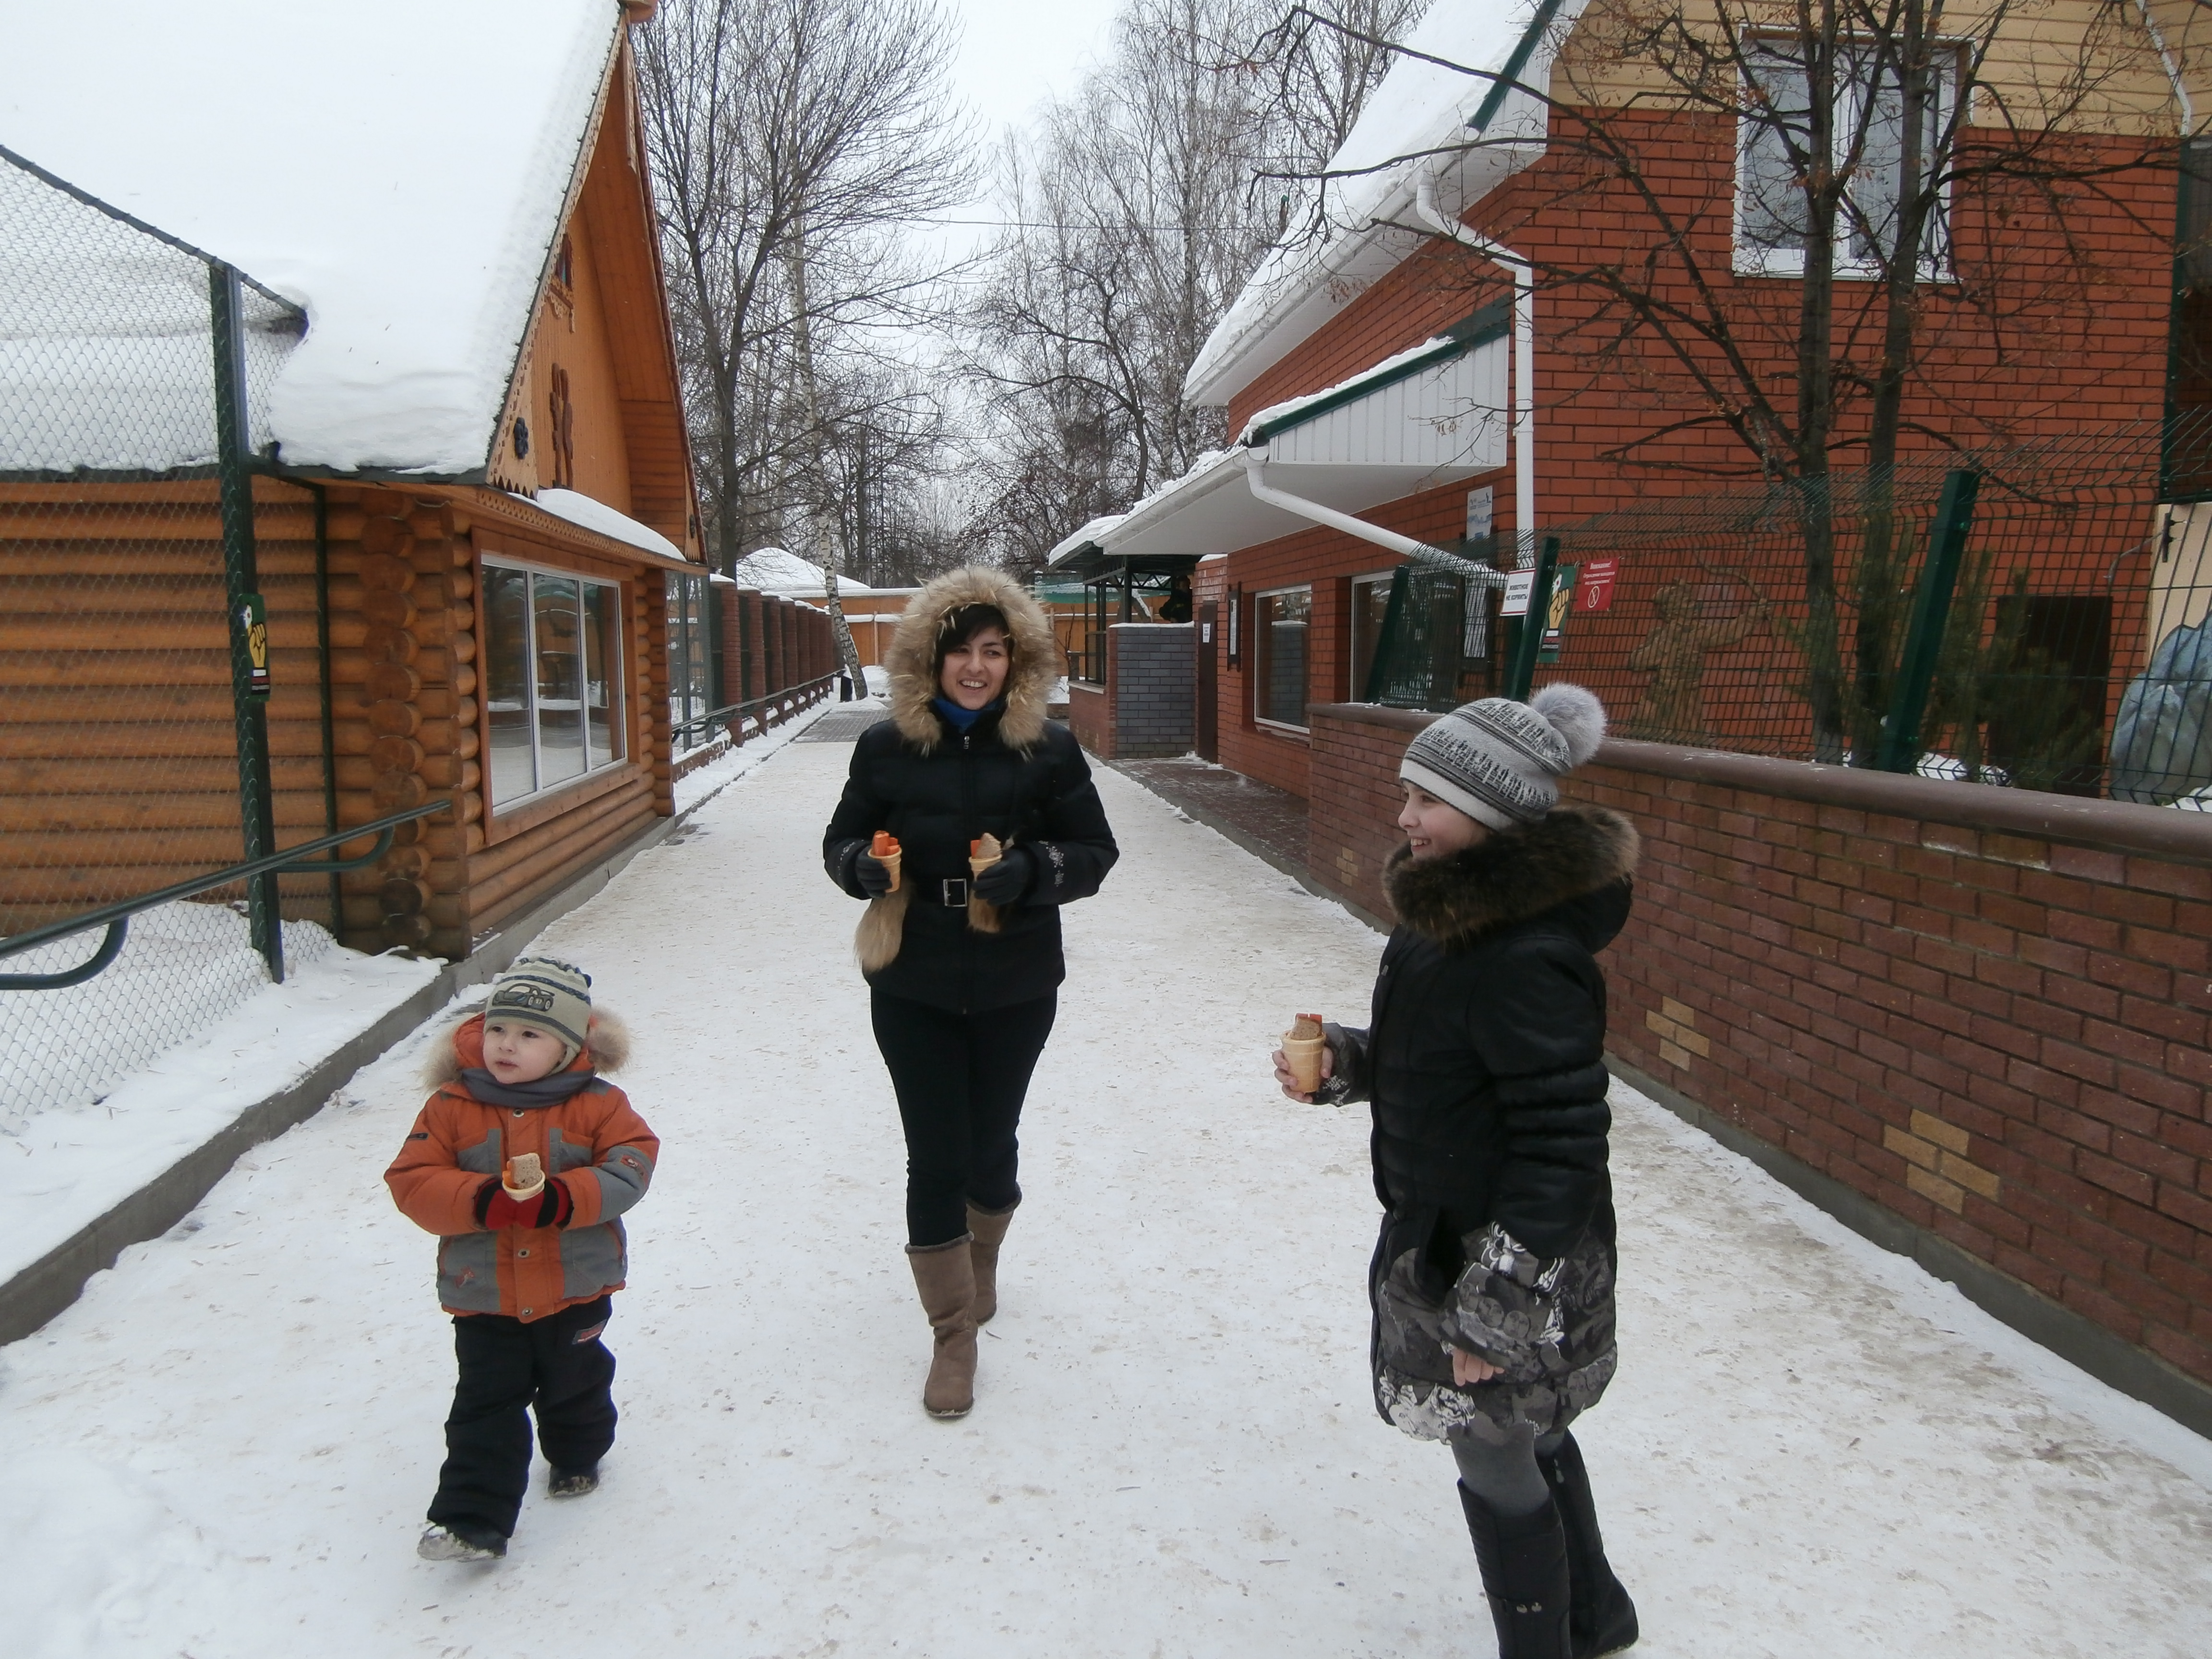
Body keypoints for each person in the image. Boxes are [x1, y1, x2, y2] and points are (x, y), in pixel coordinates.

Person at [1274, 685, 1640, 1659]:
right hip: (1450, 1232)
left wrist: (1496, 1305)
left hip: (1504, 1258)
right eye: (1407, 793)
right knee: (1530, 1429)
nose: (1403, 817)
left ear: (1492, 812)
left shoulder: (1524, 955)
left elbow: (1562, 1144)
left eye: (1426, 800)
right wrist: (1349, 1062)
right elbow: (1443, 1060)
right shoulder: (1443, 920)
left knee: (1493, 1449)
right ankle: (1595, 1615)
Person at [823, 566, 1118, 1419]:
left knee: (992, 1142)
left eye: (993, 651)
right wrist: (860, 865)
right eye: (961, 651)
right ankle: (952, 1334)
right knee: (935, 1153)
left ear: (1015, 660)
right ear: (930, 657)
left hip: (1015, 974)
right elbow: (840, 840)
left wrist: (1032, 870)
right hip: (910, 974)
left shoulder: (1047, 748)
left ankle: (981, 1259)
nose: (977, 667)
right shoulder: (885, 747)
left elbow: (1094, 853)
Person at [386, 956, 657, 1562]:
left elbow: (631, 1167)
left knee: (573, 1381)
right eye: (498, 1030)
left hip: (576, 1282)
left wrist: (564, 1197)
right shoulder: (451, 1105)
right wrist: (481, 1200)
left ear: (567, 1048)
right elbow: (412, 1179)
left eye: (530, 1034)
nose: (506, 1045)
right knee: (485, 1401)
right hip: (484, 1290)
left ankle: (577, 1452)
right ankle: (472, 1520)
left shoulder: (600, 1105)